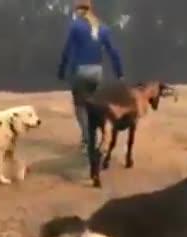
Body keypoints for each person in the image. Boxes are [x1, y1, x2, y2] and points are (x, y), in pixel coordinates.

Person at [57, 0, 124, 185]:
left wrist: (62, 71)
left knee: (80, 107)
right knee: (96, 108)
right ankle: (103, 135)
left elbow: (67, 51)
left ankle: (88, 141)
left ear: (78, 10)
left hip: (81, 71)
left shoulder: (76, 26)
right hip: (97, 72)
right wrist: (120, 73)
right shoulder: (102, 27)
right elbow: (113, 51)